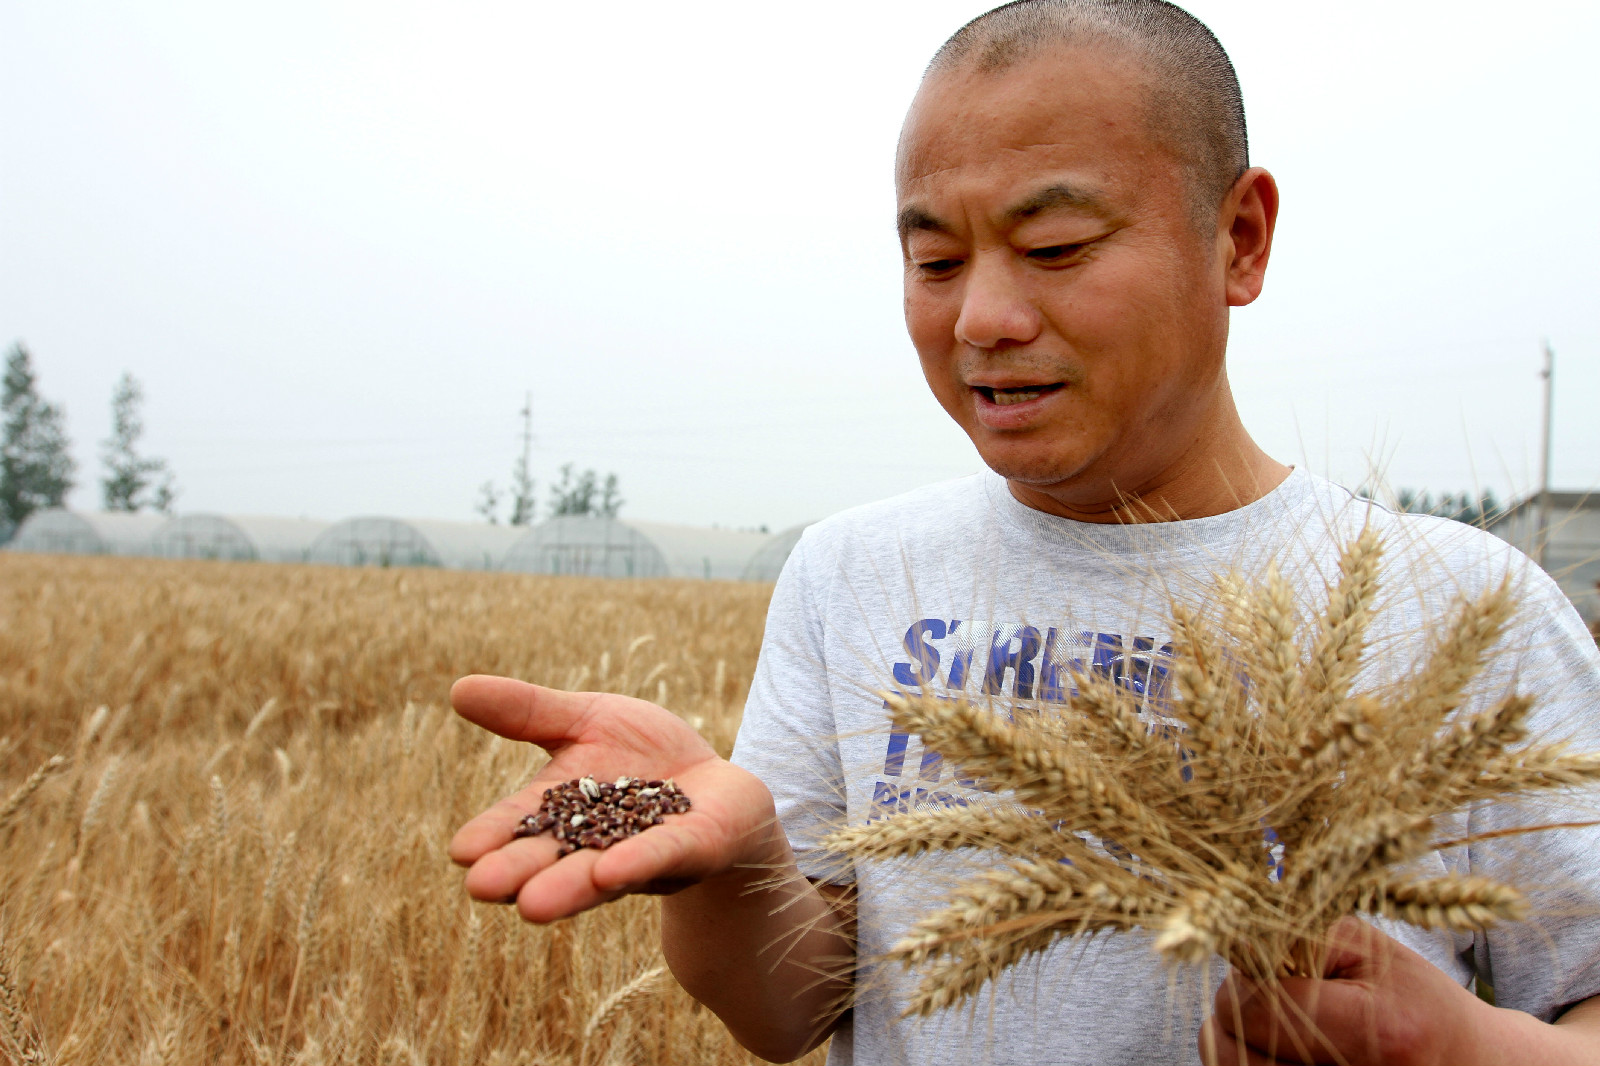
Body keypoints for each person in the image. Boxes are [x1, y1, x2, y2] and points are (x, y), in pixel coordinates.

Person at [447, 1, 1600, 1062]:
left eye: (1053, 250)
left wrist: (1458, 1042)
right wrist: (735, 864)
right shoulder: (855, 575)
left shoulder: (1460, 610)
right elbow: (786, 1007)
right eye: (934, 261)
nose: (983, 319)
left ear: (1238, 239)